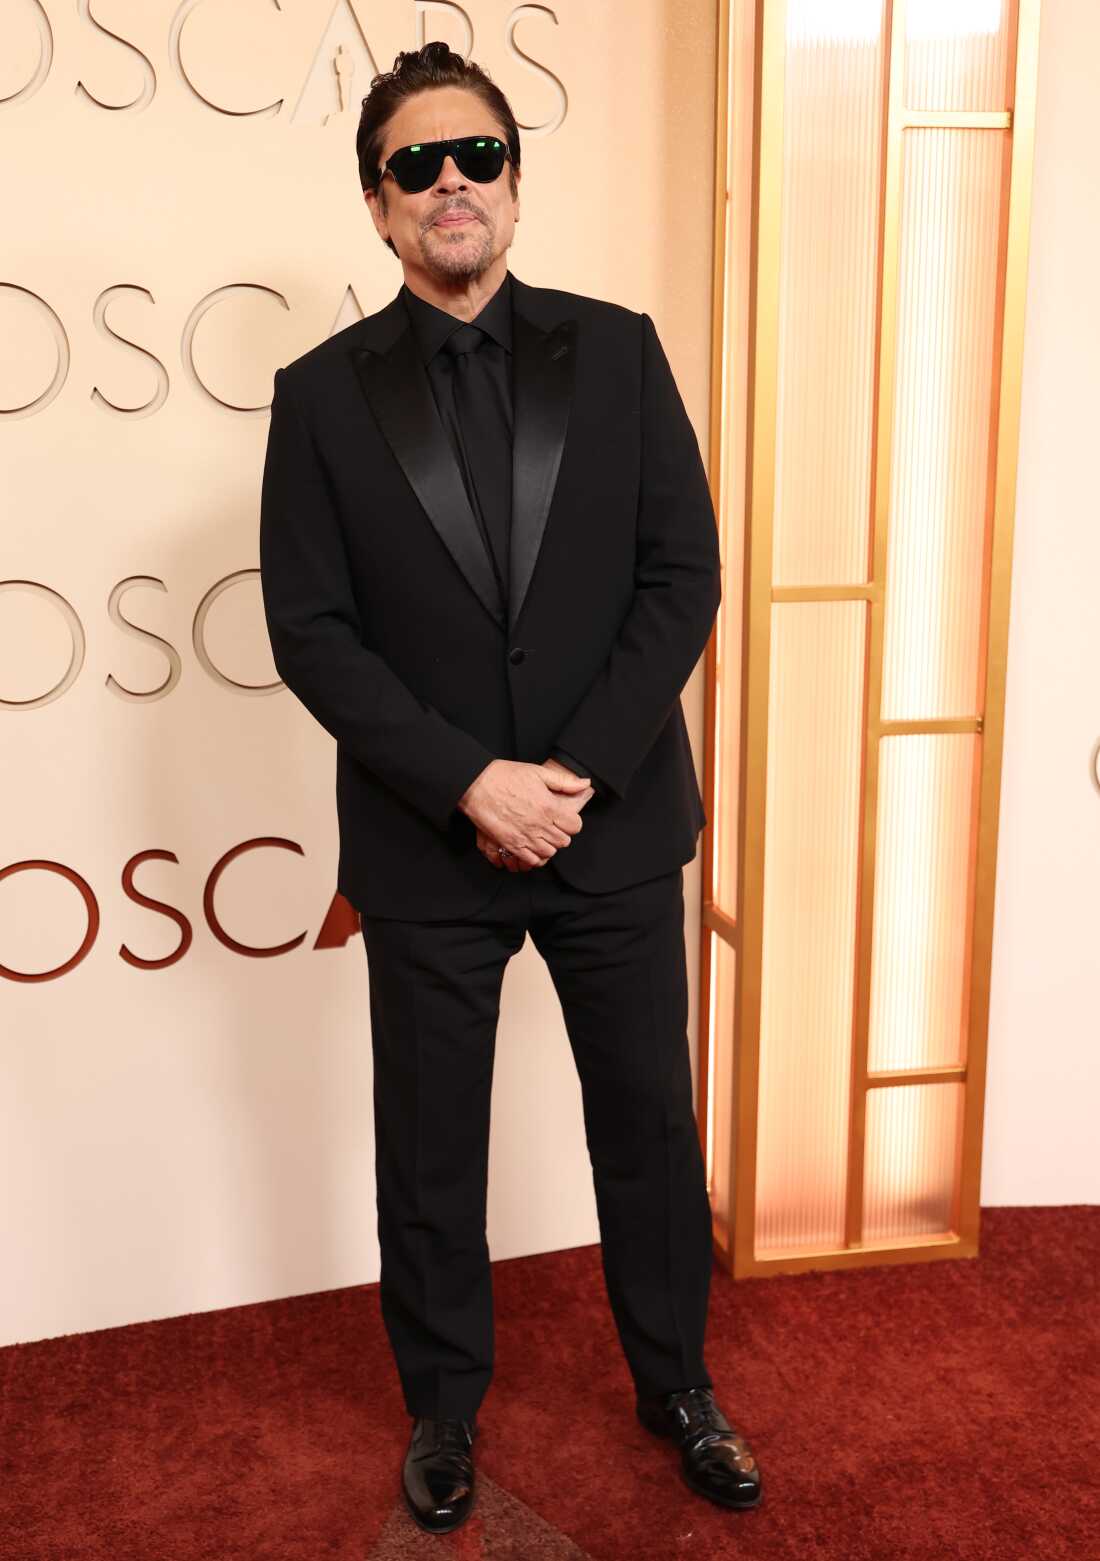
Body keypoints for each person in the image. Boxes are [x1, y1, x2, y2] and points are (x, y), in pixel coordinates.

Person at [259, 39, 762, 1536]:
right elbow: (313, 632)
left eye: (475, 154)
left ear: (516, 181)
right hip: (429, 845)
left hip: (607, 827)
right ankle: (442, 1411)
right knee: (429, 1145)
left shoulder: (619, 350)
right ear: (379, 207)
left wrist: (573, 773)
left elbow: (683, 579)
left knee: (650, 1131)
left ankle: (678, 1385)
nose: (451, 183)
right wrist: (470, 780)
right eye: (416, 164)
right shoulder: (320, 398)